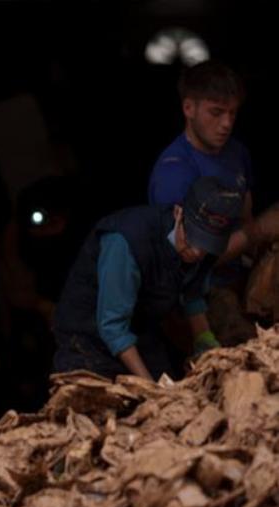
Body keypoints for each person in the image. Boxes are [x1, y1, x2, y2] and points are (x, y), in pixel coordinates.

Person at [52, 176, 242, 381]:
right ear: (179, 213)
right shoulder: (126, 241)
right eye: (192, 239)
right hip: (88, 339)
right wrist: (150, 388)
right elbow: (113, 328)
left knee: (174, 391)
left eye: (206, 246)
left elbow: (192, 291)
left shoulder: (208, 245)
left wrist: (204, 340)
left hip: (141, 330)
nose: (196, 253)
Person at [148, 60, 256, 345]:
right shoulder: (174, 172)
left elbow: (246, 209)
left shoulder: (236, 152)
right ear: (189, 108)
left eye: (233, 113)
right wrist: (254, 233)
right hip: (197, 296)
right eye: (216, 112)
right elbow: (184, 261)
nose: (227, 124)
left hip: (237, 276)